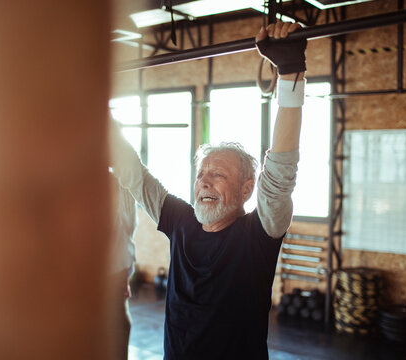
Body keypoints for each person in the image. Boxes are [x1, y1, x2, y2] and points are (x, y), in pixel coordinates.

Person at [110, 20, 306, 360]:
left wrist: (289, 74)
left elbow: (279, 175)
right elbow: (132, 172)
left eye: (218, 174)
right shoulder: (180, 221)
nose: (204, 181)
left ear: (247, 189)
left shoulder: (258, 235)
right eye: (201, 173)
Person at [109, 175, 138, 360]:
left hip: (114, 270)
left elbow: (127, 230)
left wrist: (125, 273)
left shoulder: (120, 184)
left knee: (119, 323)